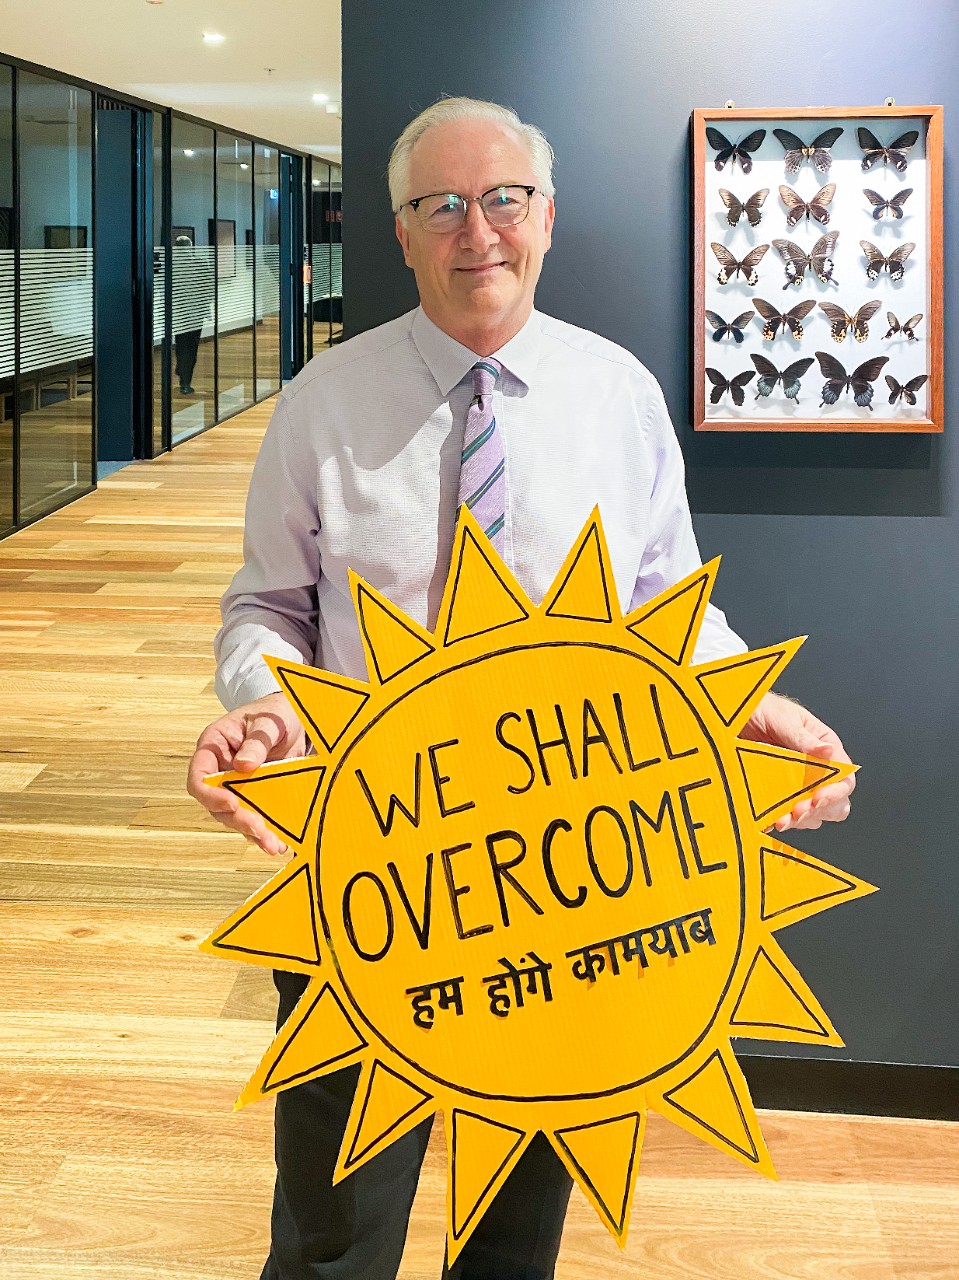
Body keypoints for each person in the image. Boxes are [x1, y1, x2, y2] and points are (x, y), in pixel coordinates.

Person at [187, 97, 855, 1280]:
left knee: (518, 1218)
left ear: (545, 218)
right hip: (368, 863)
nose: (473, 230)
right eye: (437, 204)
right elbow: (267, 606)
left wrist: (739, 697)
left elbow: (669, 602)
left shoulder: (616, 396)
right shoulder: (323, 401)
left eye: (501, 199)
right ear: (397, 232)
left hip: (569, 881)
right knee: (334, 1213)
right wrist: (265, 699)